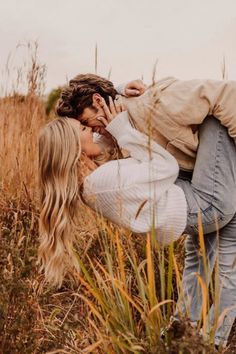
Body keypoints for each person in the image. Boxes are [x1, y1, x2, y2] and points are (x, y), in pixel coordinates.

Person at [39, 90, 236, 347]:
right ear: (75, 147)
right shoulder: (102, 183)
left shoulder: (93, 181)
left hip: (185, 210)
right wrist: (122, 131)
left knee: (199, 264)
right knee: (215, 121)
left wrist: (117, 95)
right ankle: (214, 340)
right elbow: (165, 168)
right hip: (204, 205)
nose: (92, 131)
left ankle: (181, 335)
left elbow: (129, 160)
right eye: (85, 130)